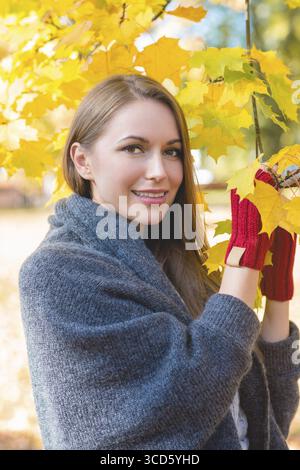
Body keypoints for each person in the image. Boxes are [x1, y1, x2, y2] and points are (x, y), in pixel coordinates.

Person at [18, 73, 299, 450]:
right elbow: (190, 402)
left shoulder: (178, 257)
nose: (160, 172)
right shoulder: (56, 273)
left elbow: (263, 423)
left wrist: (276, 294)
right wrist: (243, 260)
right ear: (83, 160)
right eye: (134, 148)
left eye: (172, 151)